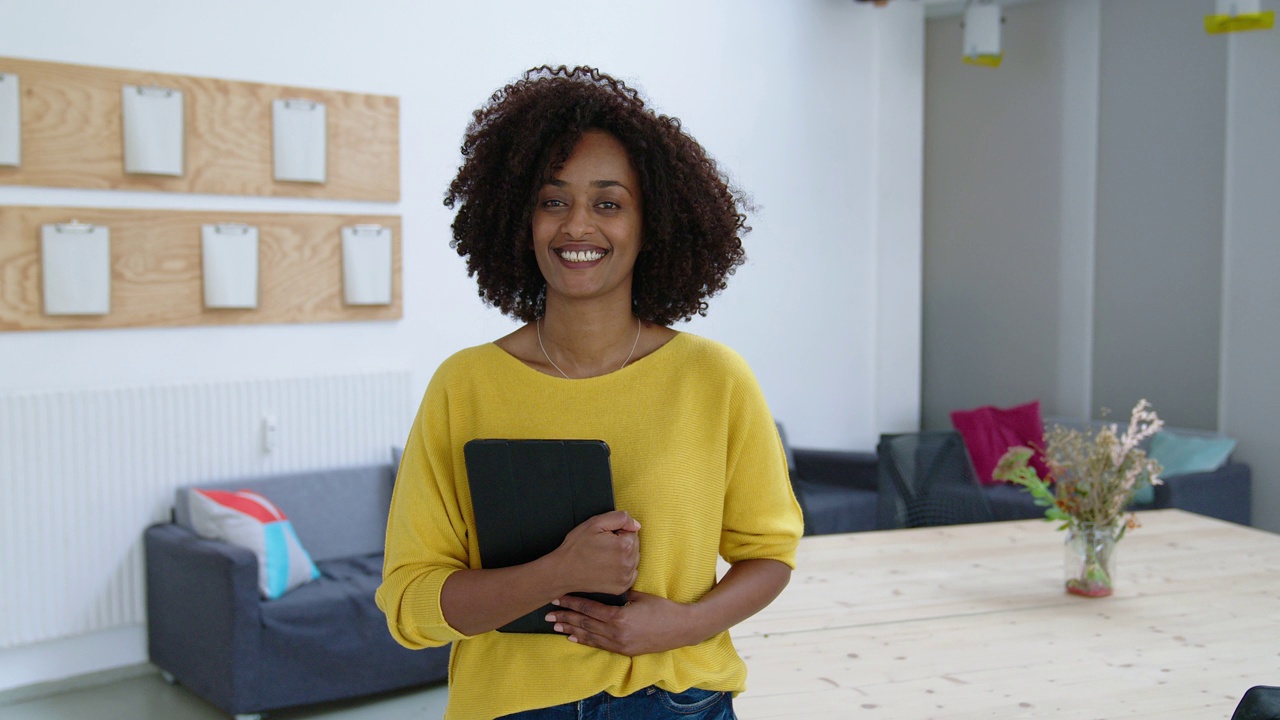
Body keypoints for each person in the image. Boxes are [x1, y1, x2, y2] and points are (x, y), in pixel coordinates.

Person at [376, 65, 804, 720]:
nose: (578, 225)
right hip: (515, 707)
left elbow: (769, 555)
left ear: (652, 222)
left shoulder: (713, 378)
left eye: (608, 203)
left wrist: (684, 625)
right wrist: (557, 572)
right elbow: (411, 609)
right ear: (520, 219)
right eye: (553, 201)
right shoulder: (464, 386)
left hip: (676, 702)